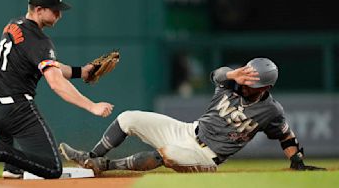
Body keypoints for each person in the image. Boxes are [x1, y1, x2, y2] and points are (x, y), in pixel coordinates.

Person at [59, 58, 325, 175]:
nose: (245, 84)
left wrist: (297, 161)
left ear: (266, 88)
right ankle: (91, 158)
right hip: (188, 130)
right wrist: (233, 74)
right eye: (244, 76)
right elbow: (217, 75)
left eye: (251, 82)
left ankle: (105, 168)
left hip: (207, 156)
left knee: (168, 154)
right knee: (129, 117)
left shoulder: (271, 110)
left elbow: (286, 135)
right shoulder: (231, 83)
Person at [0, 0, 114, 180]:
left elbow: (51, 66)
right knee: (52, 168)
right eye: (55, 10)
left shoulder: (14, 24)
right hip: (14, 111)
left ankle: (12, 167)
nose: (59, 15)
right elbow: (55, 82)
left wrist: (81, 72)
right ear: (39, 10)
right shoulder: (39, 40)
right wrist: (92, 106)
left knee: (15, 146)